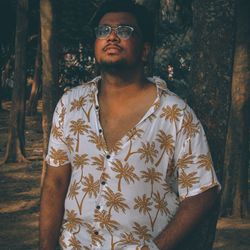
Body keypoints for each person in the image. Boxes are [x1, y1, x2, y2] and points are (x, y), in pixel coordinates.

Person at [39, 1, 220, 249]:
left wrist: (155, 247)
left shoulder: (175, 114)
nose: (112, 37)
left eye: (124, 31)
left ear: (145, 51)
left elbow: (202, 192)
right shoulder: (70, 105)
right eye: (103, 31)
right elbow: (55, 182)